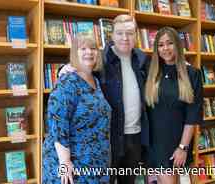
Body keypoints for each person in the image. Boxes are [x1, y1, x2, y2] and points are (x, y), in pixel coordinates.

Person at [59, 14, 150, 184]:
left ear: (136, 35)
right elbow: (80, 69)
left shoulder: (142, 59)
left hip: (135, 137)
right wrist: (65, 68)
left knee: (129, 181)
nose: (125, 38)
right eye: (120, 33)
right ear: (112, 35)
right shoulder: (101, 59)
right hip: (109, 137)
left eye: (130, 33)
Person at [42, 33, 112, 184]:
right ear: (74, 53)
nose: (89, 52)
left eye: (93, 48)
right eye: (83, 48)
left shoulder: (96, 81)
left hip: (95, 165)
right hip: (73, 166)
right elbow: (57, 123)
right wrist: (65, 161)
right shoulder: (67, 81)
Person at [145, 27, 203, 184]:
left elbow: (192, 115)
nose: (165, 49)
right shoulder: (151, 72)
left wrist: (183, 147)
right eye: (161, 45)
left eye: (170, 43)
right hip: (153, 142)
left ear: (178, 45)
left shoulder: (192, 74)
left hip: (176, 142)